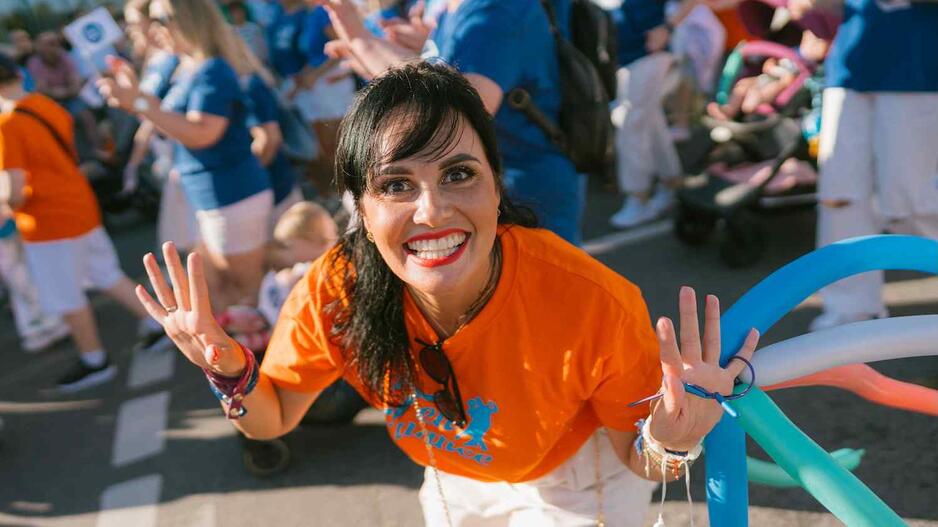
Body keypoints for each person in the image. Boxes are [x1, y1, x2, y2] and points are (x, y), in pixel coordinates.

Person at [136, 62, 759, 526]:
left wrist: (675, 442)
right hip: (456, 480)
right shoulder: (336, 290)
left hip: (577, 478)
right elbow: (270, 420)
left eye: (458, 174)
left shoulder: (590, 300)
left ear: (496, 187)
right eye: (396, 185)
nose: (432, 211)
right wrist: (227, 370)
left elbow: (640, 459)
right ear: (361, 210)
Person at [317, 0, 586, 245]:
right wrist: (381, 51)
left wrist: (362, 41)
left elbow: (456, 111)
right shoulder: (457, 9)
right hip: (489, 186)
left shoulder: (494, 11)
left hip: (523, 191)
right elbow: (432, 81)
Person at [0, 54, 167, 392]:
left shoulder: (8, 123)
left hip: (47, 221)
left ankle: (94, 360)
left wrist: (5, 205)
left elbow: (14, 190)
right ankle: (158, 325)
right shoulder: (45, 104)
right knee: (106, 273)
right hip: (79, 203)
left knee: (65, 295)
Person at [98, 0, 274, 311]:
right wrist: (135, 97)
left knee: (248, 292)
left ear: (188, 19)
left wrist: (138, 102)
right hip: (210, 196)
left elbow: (202, 133)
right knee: (216, 289)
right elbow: (169, 124)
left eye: (161, 19)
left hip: (231, 194)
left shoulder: (213, 68)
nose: (154, 29)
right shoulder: (186, 66)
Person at [787, 0, 938, 331]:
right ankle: (851, 311)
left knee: (911, 203)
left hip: (919, 66)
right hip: (850, 67)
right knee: (840, 197)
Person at [608, 0, 698, 229]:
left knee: (631, 124)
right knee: (650, 122)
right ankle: (671, 183)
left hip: (648, 52)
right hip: (629, 53)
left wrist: (667, 27)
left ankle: (638, 197)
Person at [26, 32, 101, 157]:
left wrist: (64, 91)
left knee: (86, 116)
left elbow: (75, 85)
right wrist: (65, 91)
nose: (54, 47)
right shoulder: (34, 63)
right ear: (40, 47)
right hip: (48, 103)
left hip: (70, 98)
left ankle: (98, 150)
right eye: (50, 44)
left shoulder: (64, 56)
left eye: (56, 43)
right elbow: (43, 90)